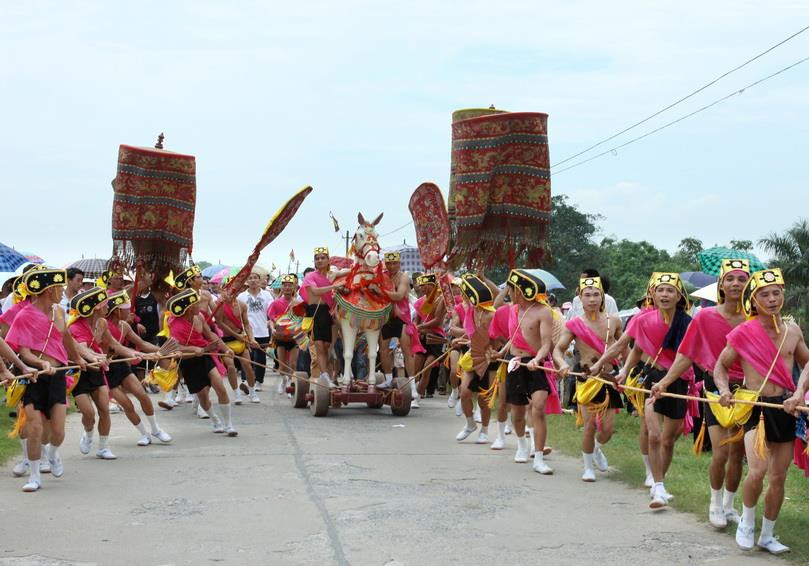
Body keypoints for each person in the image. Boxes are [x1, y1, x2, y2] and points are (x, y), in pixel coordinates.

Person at [715, 268, 809, 554]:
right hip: (756, 408)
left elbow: (807, 364)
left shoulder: (793, 331)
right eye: (763, 295)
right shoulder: (743, 332)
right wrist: (724, 390)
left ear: (783, 296)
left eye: (776, 293)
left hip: (785, 408)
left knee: (779, 476)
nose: (771, 299)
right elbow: (720, 367)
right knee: (757, 470)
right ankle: (746, 523)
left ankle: (767, 534)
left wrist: (798, 393)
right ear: (753, 301)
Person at [650, 260, 750, 527]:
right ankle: (715, 503)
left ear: (749, 284)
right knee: (721, 452)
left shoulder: (756, 318)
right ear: (721, 284)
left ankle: (729, 505)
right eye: (731, 279)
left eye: (742, 279)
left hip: (748, 391)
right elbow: (687, 354)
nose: (736, 284)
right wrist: (666, 382)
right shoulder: (705, 316)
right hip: (716, 387)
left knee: (738, 452)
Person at [612, 273, 693, 509]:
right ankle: (657, 487)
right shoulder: (643, 320)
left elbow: (686, 357)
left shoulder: (687, 323)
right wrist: (623, 371)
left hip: (677, 381)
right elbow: (633, 349)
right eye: (661, 290)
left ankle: (661, 482)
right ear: (652, 295)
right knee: (654, 434)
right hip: (651, 378)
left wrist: (667, 381)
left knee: (668, 440)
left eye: (670, 291)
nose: (665, 295)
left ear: (679, 296)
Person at [5, 268, 86, 491]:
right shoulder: (24, 315)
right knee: (34, 427)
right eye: (59, 288)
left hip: (58, 376)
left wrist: (79, 359)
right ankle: (34, 476)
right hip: (33, 376)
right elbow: (25, 352)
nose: (62, 292)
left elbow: (67, 339)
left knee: (57, 431)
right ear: (49, 290)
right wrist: (42, 364)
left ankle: (52, 453)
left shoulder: (59, 313)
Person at [554, 276, 624, 482]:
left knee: (608, 430)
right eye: (588, 295)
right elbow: (559, 350)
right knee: (590, 425)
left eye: (596, 294)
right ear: (580, 298)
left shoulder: (614, 321)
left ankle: (596, 449)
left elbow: (625, 347)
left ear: (602, 297)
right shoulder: (575, 324)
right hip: (585, 377)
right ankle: (587, 467)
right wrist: (563, 364)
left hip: (608, 377)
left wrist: (628, 370)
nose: (592, 299)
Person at [494, 269, 556, 474]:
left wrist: (537, 359)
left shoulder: (543, 311)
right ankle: (522, 444)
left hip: (536, 365)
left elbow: (547, 344)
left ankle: (538, 458)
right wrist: (500, 352)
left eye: (511, 290)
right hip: (515, 363)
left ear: (521, 291)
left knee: (538, 408)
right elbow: (513, 337)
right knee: (518, 412)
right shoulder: (512, 310)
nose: (510, 294)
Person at [104, 290, 173, 446]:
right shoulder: (104, 326)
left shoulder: (125, 326)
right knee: (127, 404)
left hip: (121, 363)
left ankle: (155, 429)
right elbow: (115, 347)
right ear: (117, 311)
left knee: (142, 394)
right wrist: (139, 354)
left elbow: (141, 344)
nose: (131, 311)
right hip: (106, 368)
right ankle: (144, 434)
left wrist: (159, 351)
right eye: (127, 308)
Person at [167, 288, 238, 436]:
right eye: (197, 303)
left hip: (205, 356)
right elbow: (175, 346)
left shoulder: (199, 317)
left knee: (220, 386)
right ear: (188, 307)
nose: (200, 306)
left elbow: (210, 334)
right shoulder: (175, 323)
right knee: (203, 397)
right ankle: (215, 420)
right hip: (188, 361)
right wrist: (193, 349)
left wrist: (225, 349)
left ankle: (228, 424)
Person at [68, 286, 121, 460]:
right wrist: (97, 357)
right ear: (95, 307)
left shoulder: (101, 323)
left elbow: (114, 345)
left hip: (97, 370)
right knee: (88, 414)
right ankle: (88, 432)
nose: (108, 306)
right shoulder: (75, 327)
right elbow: (82, 350)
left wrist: (139, 354)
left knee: (104, 409)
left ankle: (103, 447)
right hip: (80, 372)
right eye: (105, 304)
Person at [453, 274, 498, 444]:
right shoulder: (469, 311)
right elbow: (473, 335)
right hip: (472, 356)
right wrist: (464, 339)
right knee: (464, 393)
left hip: (491, 359)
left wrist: (495, 351)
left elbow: (499, 338)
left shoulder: (491, 314)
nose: (463, 296)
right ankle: (470, 424)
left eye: (465, 293)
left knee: (484, 397)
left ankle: (485, 430)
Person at [377, 251, 420, 389]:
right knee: (383, 349)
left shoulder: (404, 277)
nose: (391, 266)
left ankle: (412, 385)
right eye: (388, 263)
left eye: (394, 263)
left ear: (399, 263)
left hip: (402, 317)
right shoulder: (382, 277)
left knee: (406, 350)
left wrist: (379, 292)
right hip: (386, 316)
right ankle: (389, 379)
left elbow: (399, 296)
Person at [217, 288, 260, 404]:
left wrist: (252, 339)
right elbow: (219, 323)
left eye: (233, 291)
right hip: (225, 341)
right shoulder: (219, 305)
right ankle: (236, 394)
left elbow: (246, 324)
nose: (231, 293)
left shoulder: (242, 305)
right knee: (230, 367)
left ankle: (252, 393)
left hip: (241, 340)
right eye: (228, 290)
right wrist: (237, 335)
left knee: (248, 366)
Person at [412, 273, 447, 408]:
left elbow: (437, 321)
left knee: (426, 370)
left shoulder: (440, 300)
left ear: (433, 285)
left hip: (435, 338)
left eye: (425, 285)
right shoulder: (420, 301)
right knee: (416, 370)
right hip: (421, 338)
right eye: (421, 285)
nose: (423, 288)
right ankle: (414, 392)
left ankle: (417, 397)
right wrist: (417, 327)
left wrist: (421, 327)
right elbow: (417, 319)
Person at [267, 274, 306, 394]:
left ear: (294, 287)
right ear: (282, 288)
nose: (287, 288)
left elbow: (302, 320)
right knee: (282, 366)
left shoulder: (298, 303)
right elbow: (271, 320)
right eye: (285, 286)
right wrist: (273, 328)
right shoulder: (275, 303)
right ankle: (284, 381)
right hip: (281, 337)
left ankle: (290, 384)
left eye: (290, 286)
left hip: (294, 337)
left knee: (293, 364)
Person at [238, 272, 274, 391]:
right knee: (247, 357)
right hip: (247, 332)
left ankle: (258, 381)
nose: (253, 280)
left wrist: (272, 324)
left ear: (259, 280)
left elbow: (271, 312)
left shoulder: (267, 295)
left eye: (255, 278)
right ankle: (245, 380)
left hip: (262, 331)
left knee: (260, 358)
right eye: (250, 278)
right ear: (247, 281)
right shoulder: (241, 296)